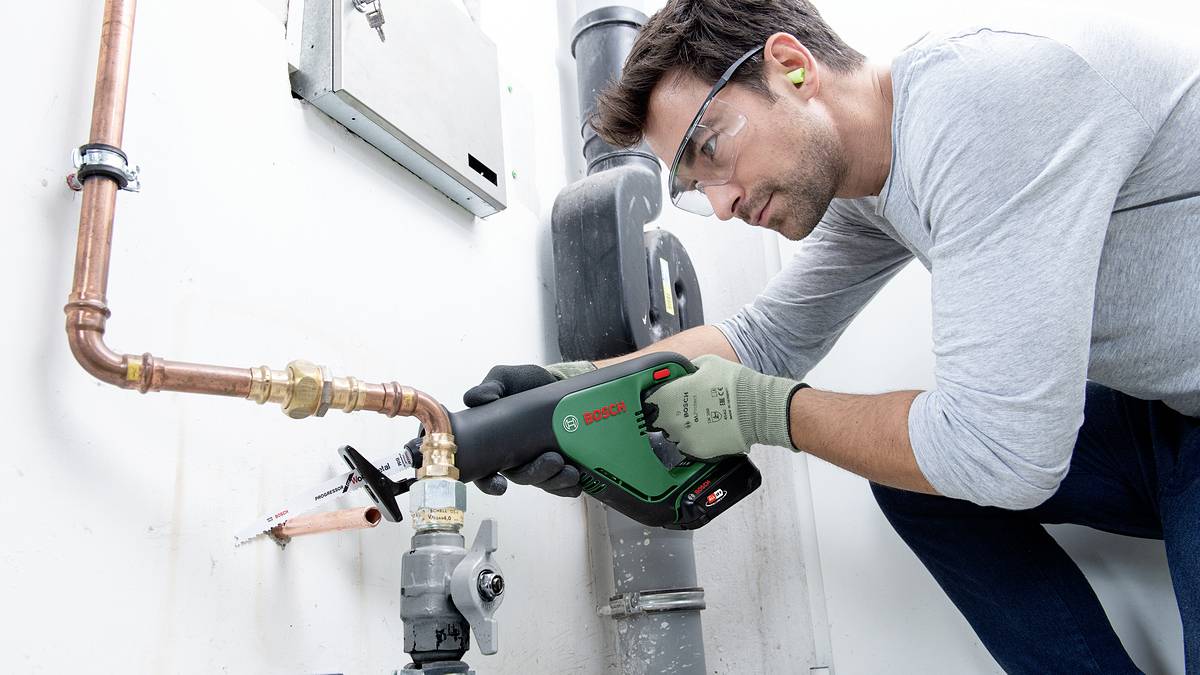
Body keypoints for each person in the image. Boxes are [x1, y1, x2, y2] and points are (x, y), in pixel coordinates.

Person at [454, 1, 1200, 671]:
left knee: (970, 456)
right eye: (691, 183)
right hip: (1166, 415)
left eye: (710, 148)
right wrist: (571, 387)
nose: (720, 204)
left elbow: (1006, 456)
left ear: (791, 67)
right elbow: (764, 339)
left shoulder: (983, 105)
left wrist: (762, 410)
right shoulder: (872, 175)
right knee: (924, 486)